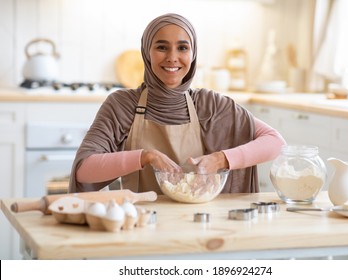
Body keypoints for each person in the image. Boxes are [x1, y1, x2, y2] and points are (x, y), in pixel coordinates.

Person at [69, 13, 286, 194]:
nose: (173, 57)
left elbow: (275, 142)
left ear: (193, 55)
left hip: (201, 223)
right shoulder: (123, 105)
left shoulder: (209, 105)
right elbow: (84, 170)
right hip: (142, 222)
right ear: (146, 52)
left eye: (182, 48)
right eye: (162, 47)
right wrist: (146, 157)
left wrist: (220, 160)